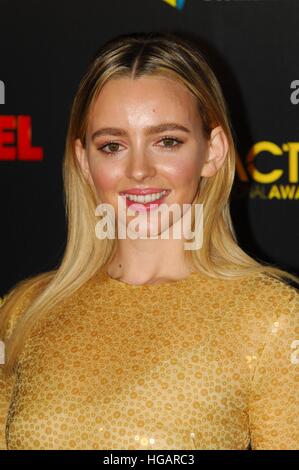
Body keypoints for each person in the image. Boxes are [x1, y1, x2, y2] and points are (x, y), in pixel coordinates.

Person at [0, 31, 298, 450]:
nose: (139, 170)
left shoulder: (271, 320)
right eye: (113, 145)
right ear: (85, 161)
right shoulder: (22, 314)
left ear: (212, 152)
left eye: (167, 141)